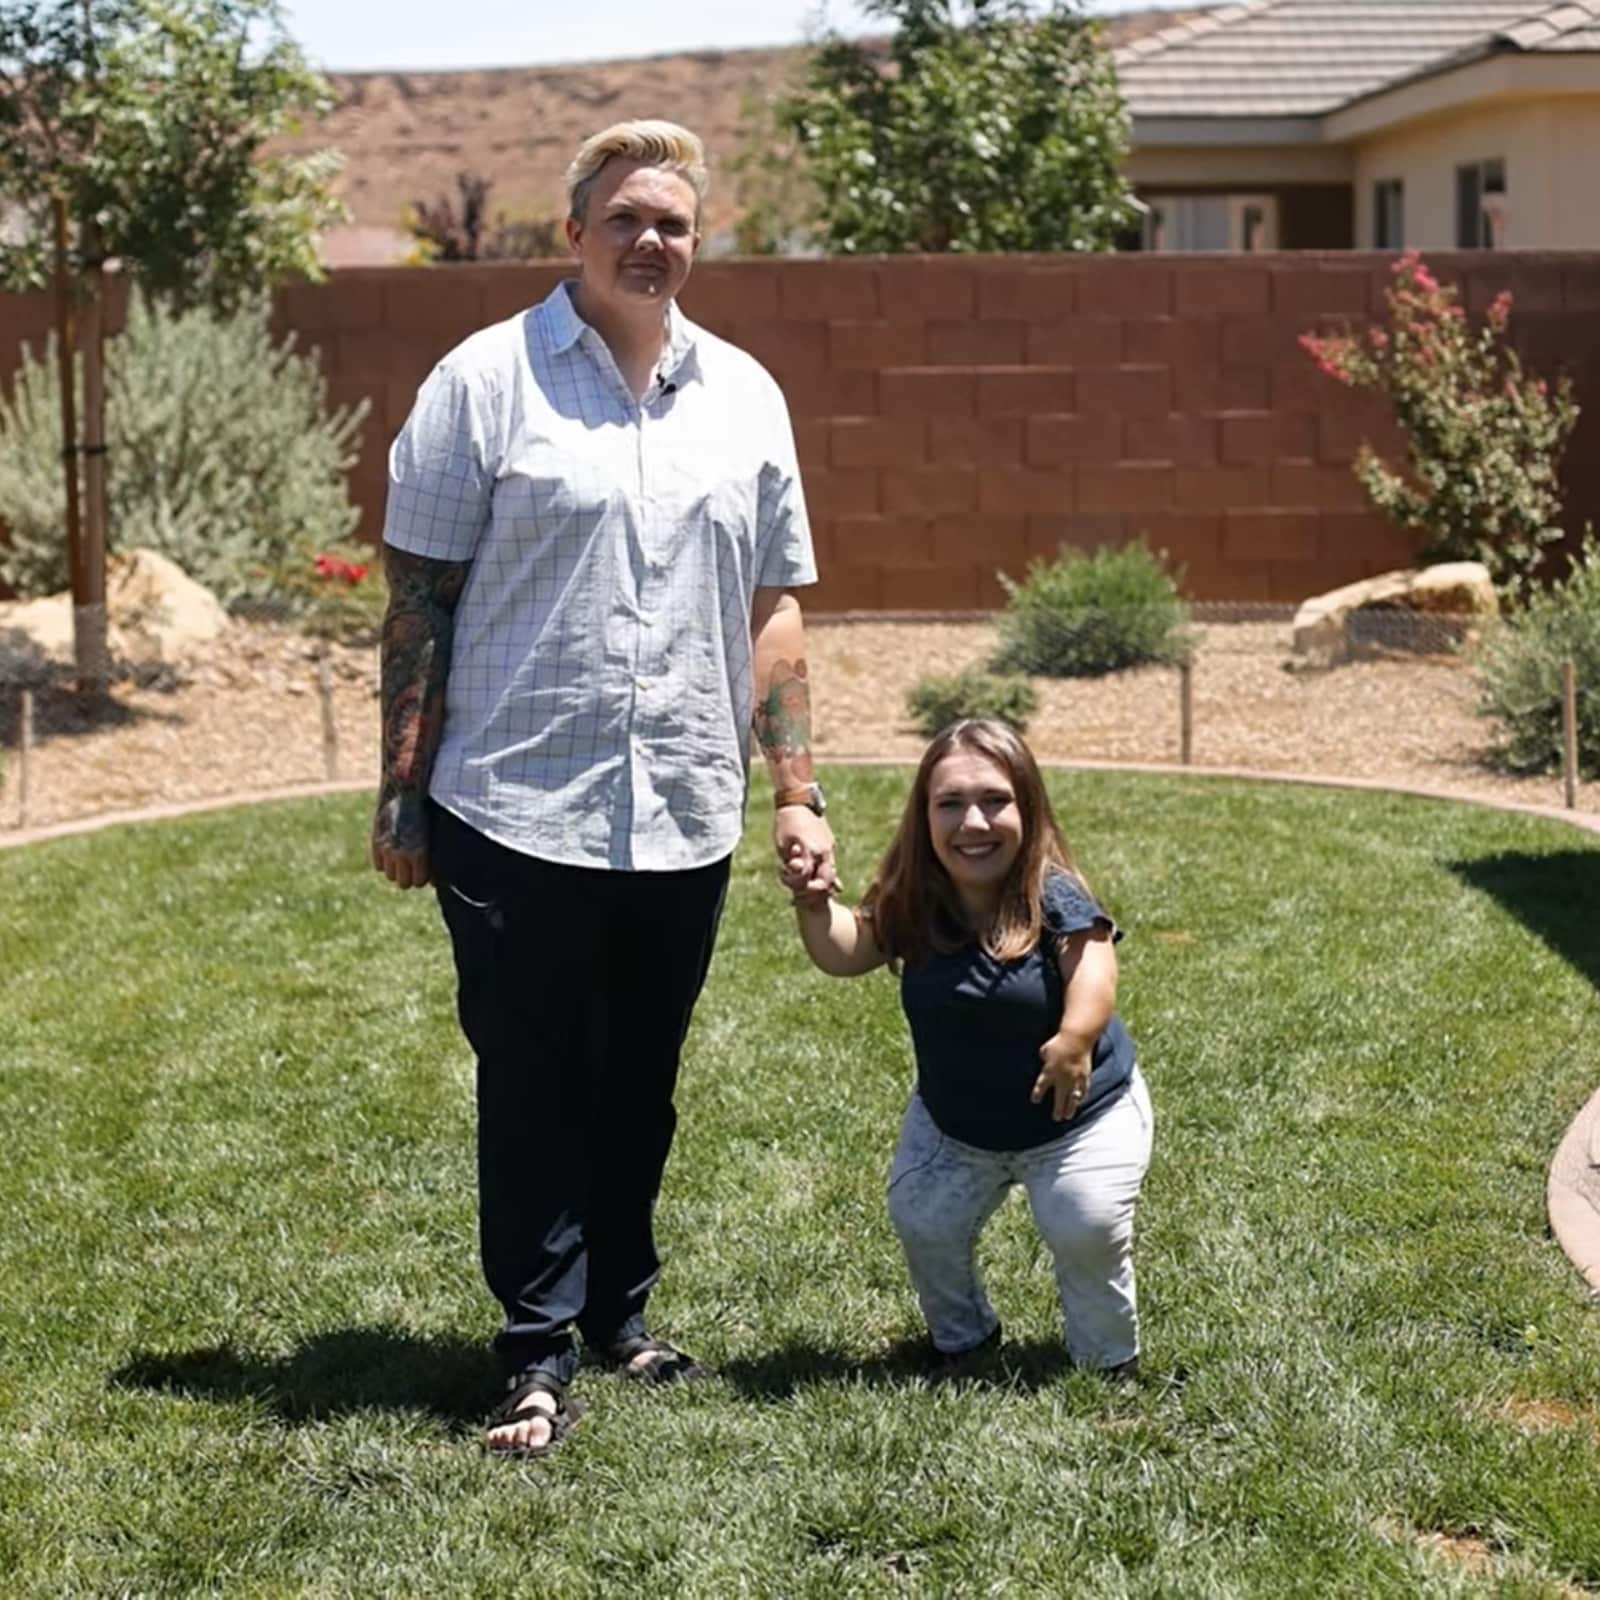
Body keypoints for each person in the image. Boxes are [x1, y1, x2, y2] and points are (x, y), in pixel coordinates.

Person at [370, 119, 834, 1459]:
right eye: (625, 217)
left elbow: (775, 607)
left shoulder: (745, 395)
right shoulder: (483, 383)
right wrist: (402, 794)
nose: (651, 241)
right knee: (534, 1082)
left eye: (674, 222)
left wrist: (794, 790)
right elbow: (419, 607)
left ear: (700, 242)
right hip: (515, 805)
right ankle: (530, 1351)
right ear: (573, 233)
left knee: (640, 1081)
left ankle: (617, 1316)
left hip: (685, 806)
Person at [789, 719, 1152, 1376]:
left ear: (1028, 808)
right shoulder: (916, 900)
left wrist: (1075, 1039)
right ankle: (964, 1339)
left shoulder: (1052, 891)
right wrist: (815, 909)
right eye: (949, 803)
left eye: (994, 800)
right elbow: (848, 953)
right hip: (955, 1128)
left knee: (1085, 1223)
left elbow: (1095, 969)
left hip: (1078, 1119)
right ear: (924, 816)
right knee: (923, 1219)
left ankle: (1107, 1363)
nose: (973, 822)